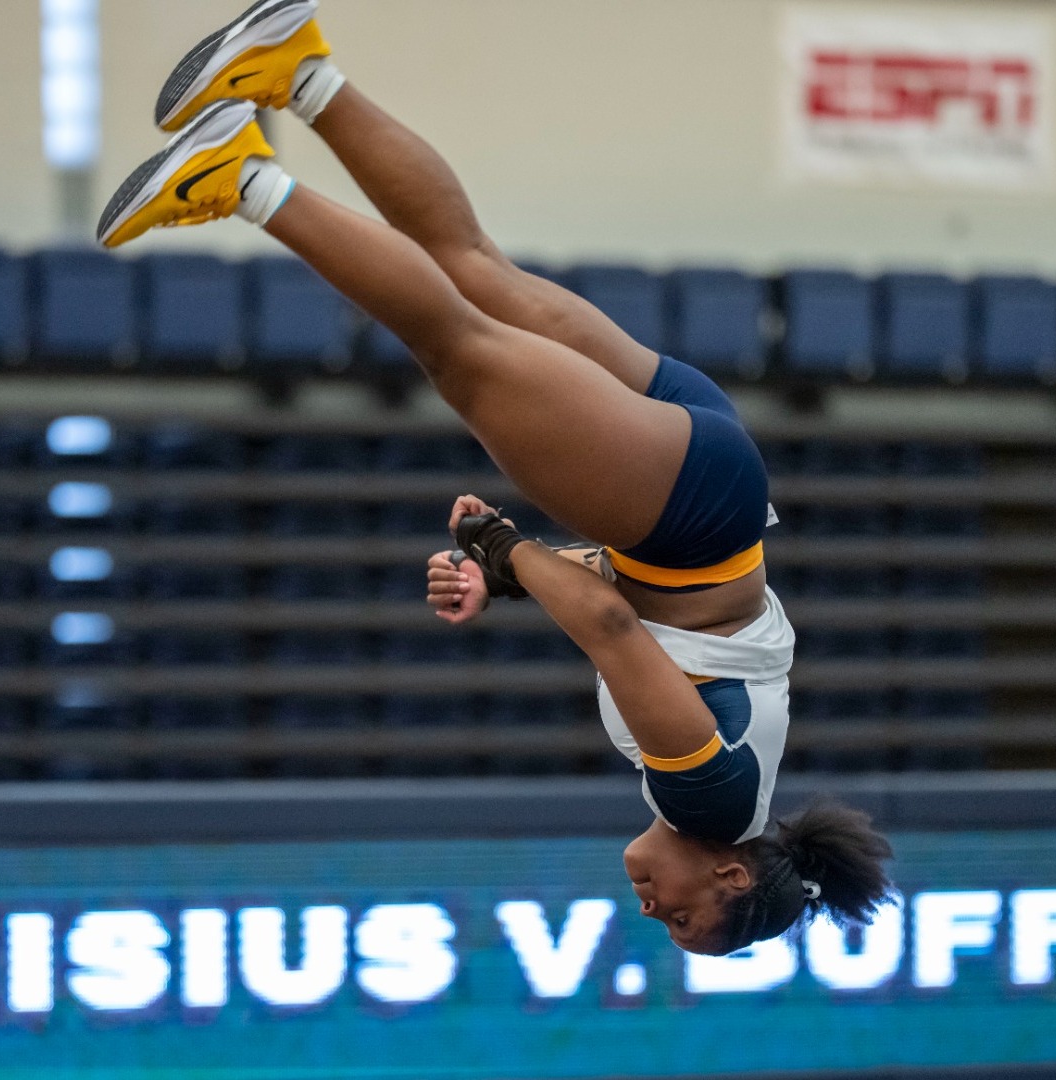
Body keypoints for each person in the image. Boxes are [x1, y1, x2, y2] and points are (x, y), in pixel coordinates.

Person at [99, 0, 893, 955]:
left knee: (472, 269)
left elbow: (640, 613)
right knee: (455, 346)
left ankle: (297, 71)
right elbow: (608, 626)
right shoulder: (709, 803)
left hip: (709, 481)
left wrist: (510, 577)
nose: (652, 908)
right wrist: (506, 549)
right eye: (683, 917)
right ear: (733, 875)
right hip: (681, 514)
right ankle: (240, 177)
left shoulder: (730, 791)